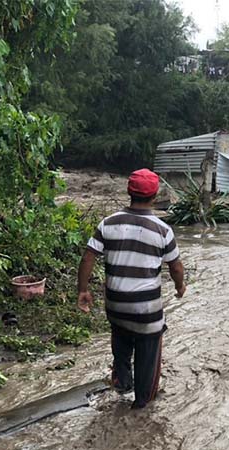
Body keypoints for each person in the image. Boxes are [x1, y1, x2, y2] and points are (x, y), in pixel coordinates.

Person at [77, 168, 186, 409]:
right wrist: (180, 287)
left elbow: (88, 257)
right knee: (148, 354)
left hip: (116, 305)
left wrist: (83, 290)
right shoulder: (163, 230)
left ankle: (123, 383)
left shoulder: (108, 223)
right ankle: (141, 405)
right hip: (146, 310)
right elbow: (176, 267)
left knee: (121, 338)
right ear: (154, 196)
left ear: (129, 192)